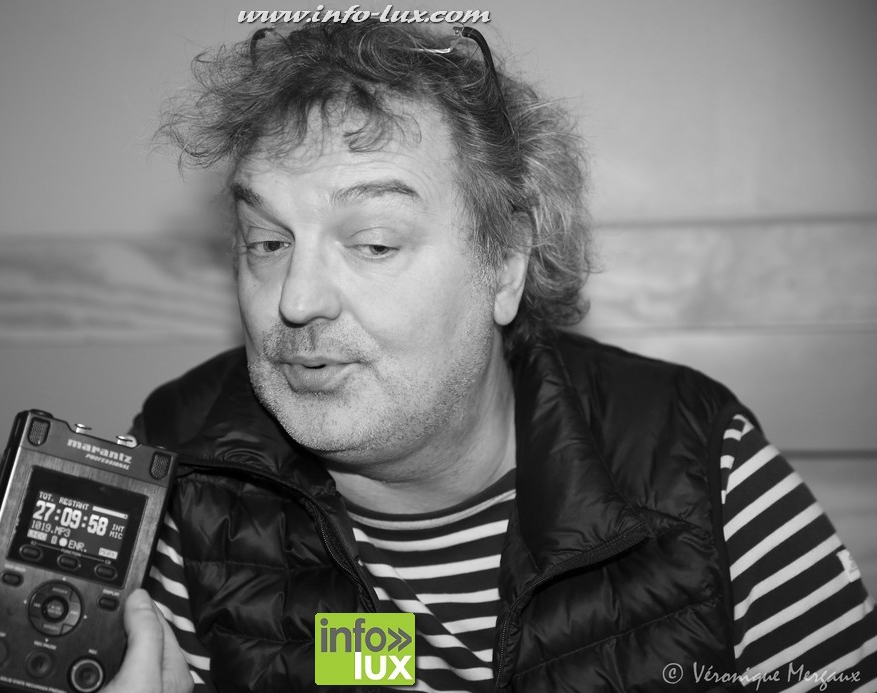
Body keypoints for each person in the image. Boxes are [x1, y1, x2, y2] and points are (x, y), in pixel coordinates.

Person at [106, 20, 876, 692]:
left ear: (505, 263)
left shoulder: (696, 461)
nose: (297, 299)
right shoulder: (187, 473)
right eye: (267, 242)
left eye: (373, 242)